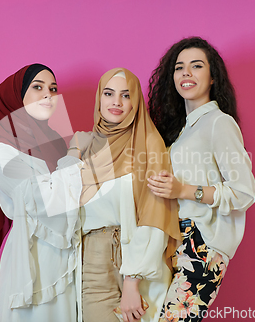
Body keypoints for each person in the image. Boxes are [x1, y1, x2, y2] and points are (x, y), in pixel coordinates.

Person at [147, 37, 255, 321]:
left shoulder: (219, 122)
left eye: (196, 66)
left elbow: (244, 192)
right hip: (177, 238)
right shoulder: (184, 130)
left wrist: (184, 190)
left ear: (211, 78)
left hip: (202, 241)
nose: (186, 73)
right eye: (179, 67)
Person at [0, 64, 90, 321]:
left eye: (53, 89)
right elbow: (45, 203)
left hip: (66, 260)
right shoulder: (2, 153)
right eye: (37, 87)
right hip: (34, 264)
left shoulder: (56, 145)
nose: (49, 95)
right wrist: (75, 154)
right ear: (16, 97)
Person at [79, 68, 181, 322]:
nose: (116, 102)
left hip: (134, 258)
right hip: (92, 257)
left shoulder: (149, 143)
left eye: (126, 95)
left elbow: (155, 214)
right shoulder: (87, 147)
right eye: (109, 93)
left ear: (136, 102)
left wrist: (132, 282)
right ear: (99, 99)